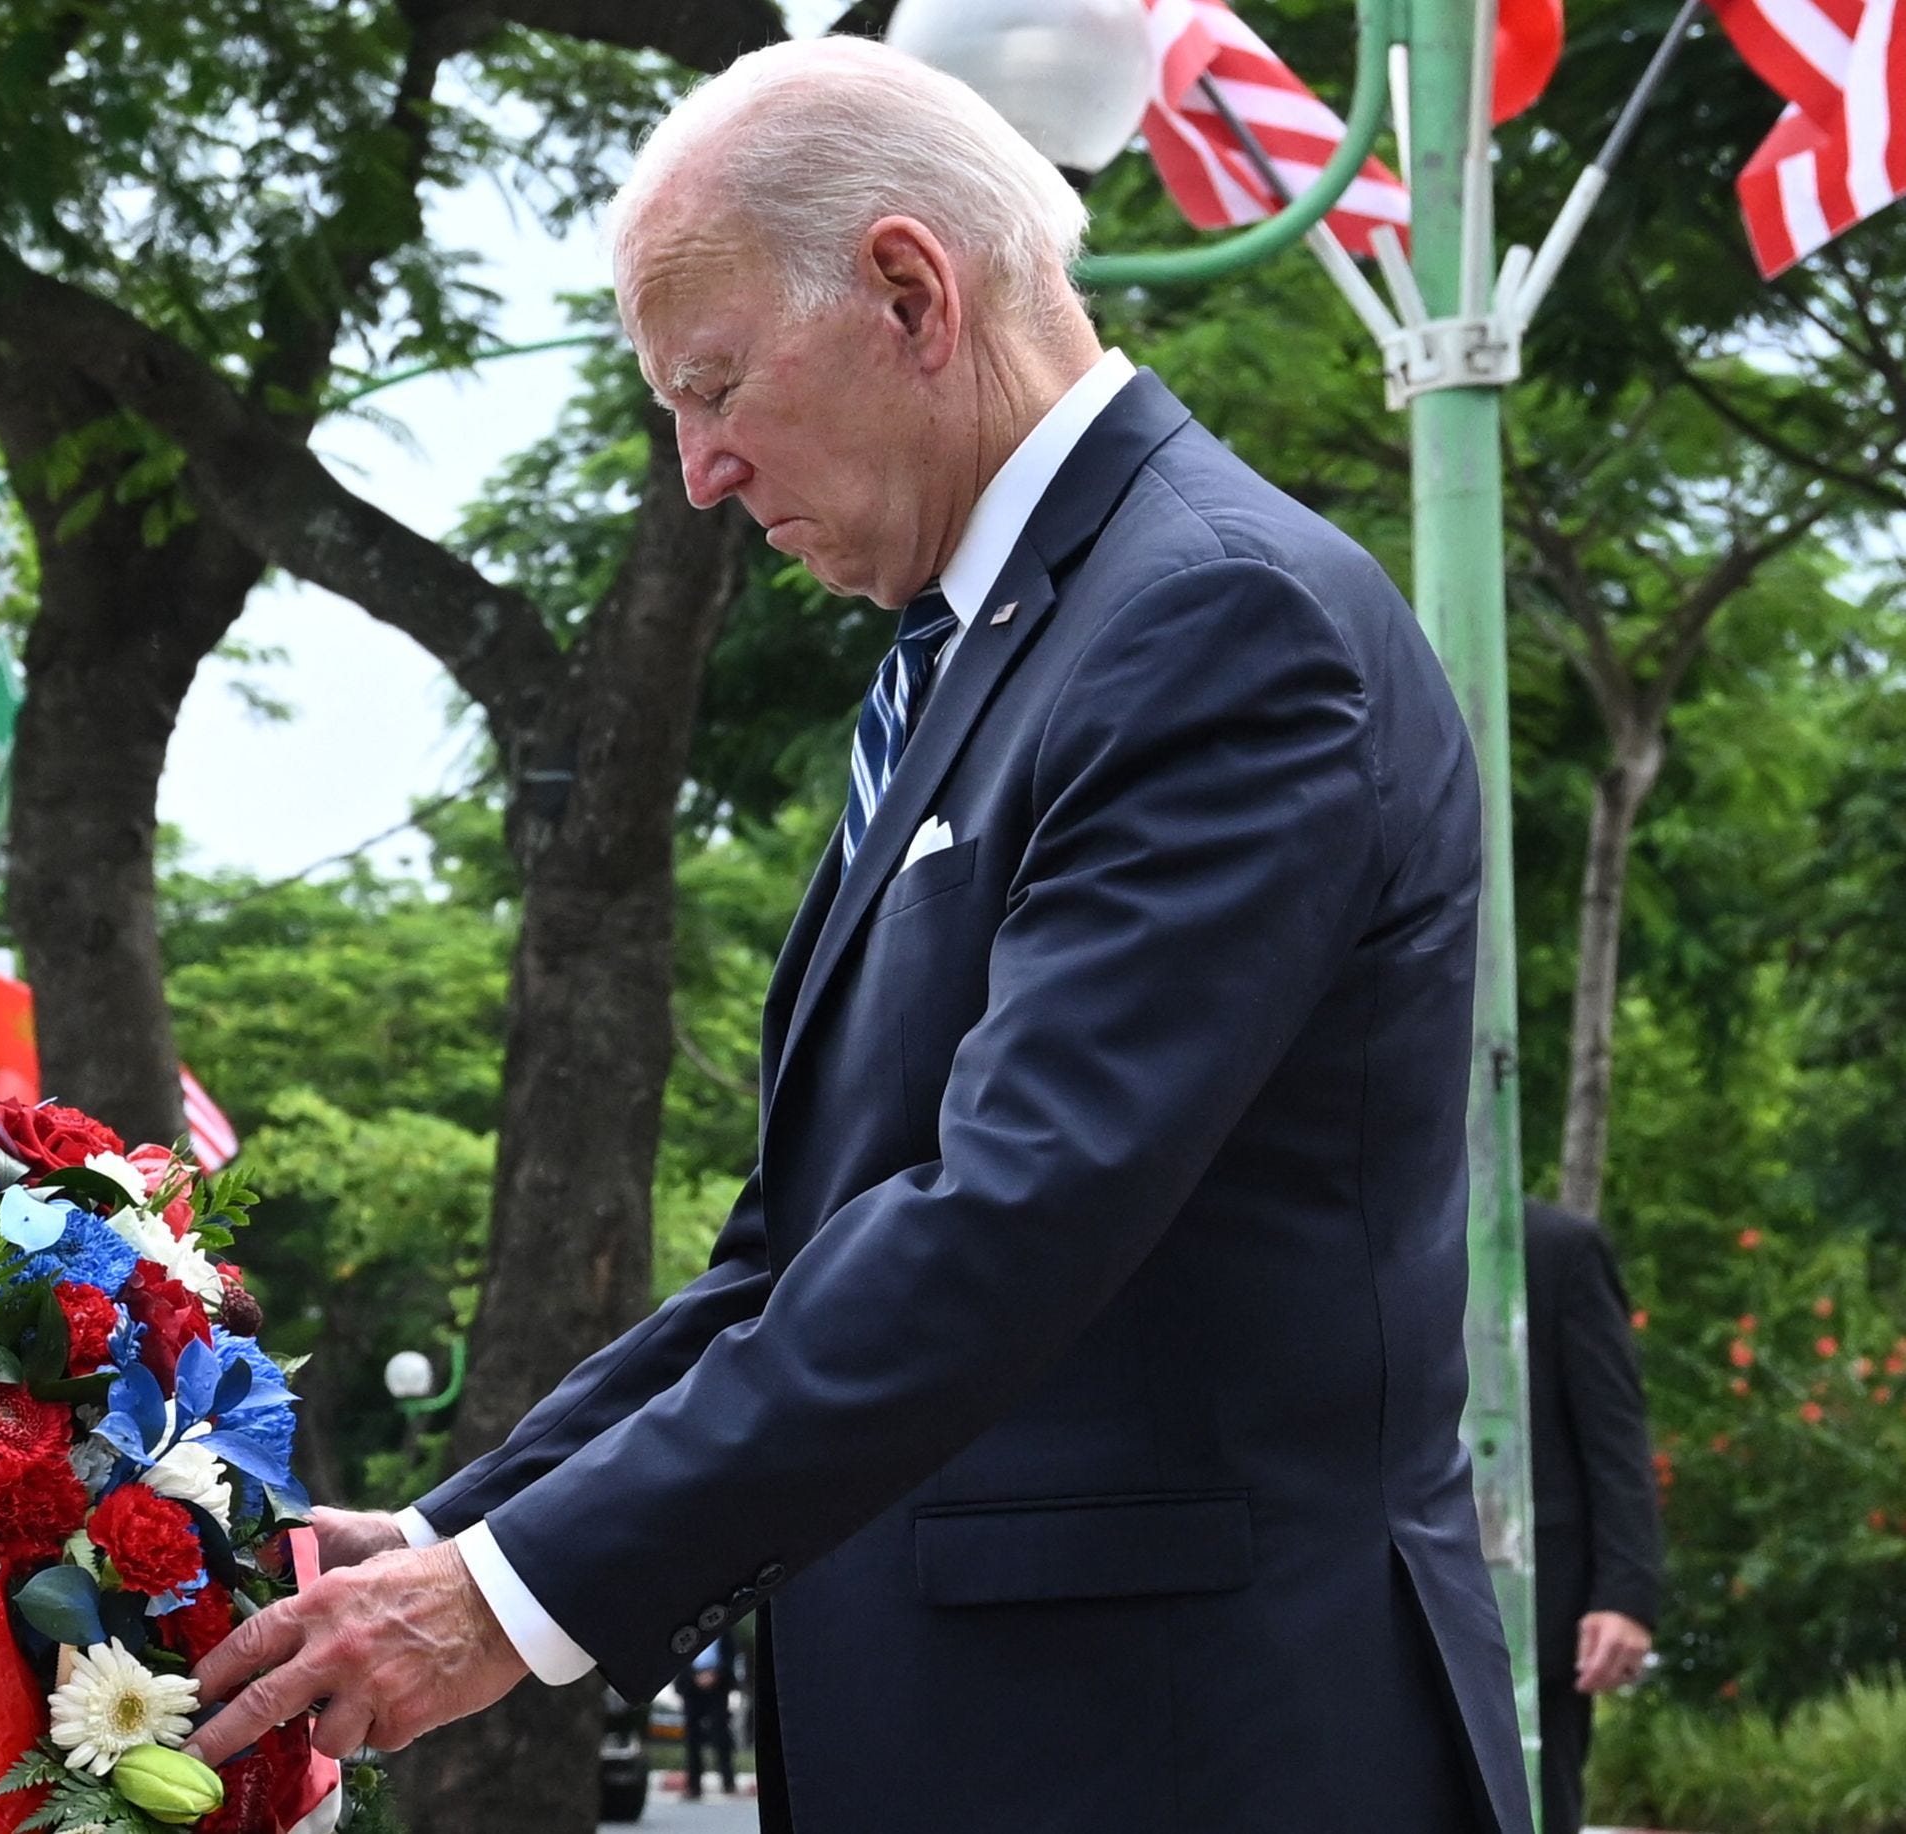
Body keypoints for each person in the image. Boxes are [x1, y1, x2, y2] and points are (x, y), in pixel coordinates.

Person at [184, 36, 1533, 1834]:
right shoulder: (997, 651)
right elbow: (797, 1251)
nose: (699, 468)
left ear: (910, 289)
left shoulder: (1214, 619)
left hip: (1190, 1744)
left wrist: (505, 1605)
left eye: (715, 381)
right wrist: (457, 1529)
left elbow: (1009, 1217)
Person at [1526, 1201, 1664, 1834]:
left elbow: (1615, 1436)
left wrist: (1626, 1595)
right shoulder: (1349, 1236)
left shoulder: (1558, 1248)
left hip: (1536, 1614)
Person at [680, 1628, 739, 1801]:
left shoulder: (724, 1624)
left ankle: (728, 1782)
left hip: (719, 1685)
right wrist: (694, 1676)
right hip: (692, 1685)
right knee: (692, 1737)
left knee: (721, 1733)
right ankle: (694, 1785)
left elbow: (730, 1654)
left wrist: (716, 1674)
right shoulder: (687, 1624)